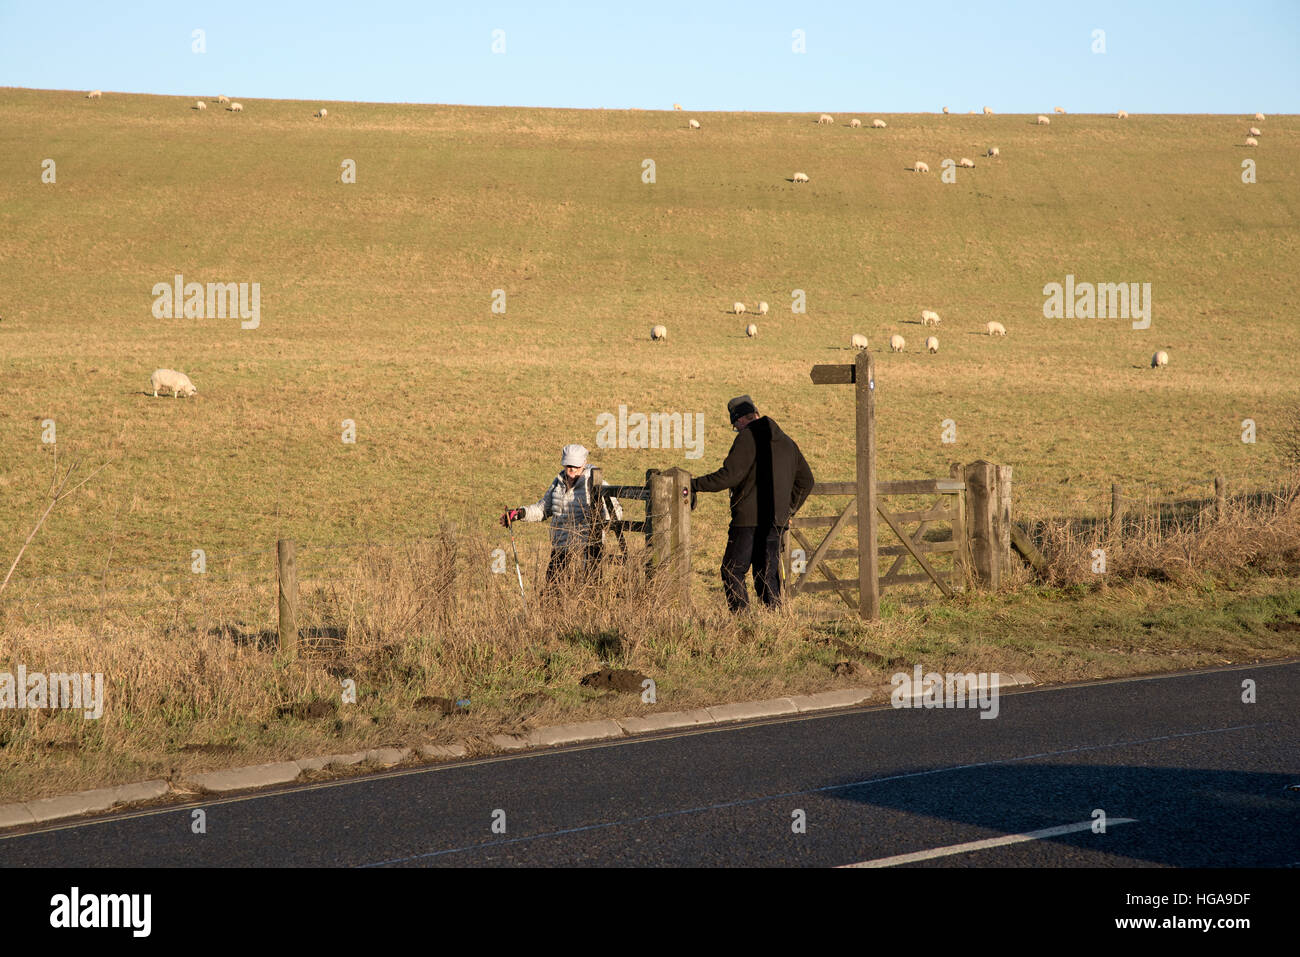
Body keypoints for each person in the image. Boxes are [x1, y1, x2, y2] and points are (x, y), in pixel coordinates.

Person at [691, 396, 814, 612]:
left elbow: (729, 476)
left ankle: (742, 621)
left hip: (748, 521)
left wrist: (694, 484)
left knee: (732, 571)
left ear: (739, 420)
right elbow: (806, 481)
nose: (736, 431)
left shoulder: (747, 438)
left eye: (735, 426)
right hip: (776, 521)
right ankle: (774, 622)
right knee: (766, 575)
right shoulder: (786, 441)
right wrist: (787, 509)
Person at [499, 444, 623, 586]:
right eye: (568, 464)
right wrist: (520, 513)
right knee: (552, 593)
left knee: (587, 592)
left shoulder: (594, 483)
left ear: (584, 463)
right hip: (560, 549)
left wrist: (600, 525)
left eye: (575, 465)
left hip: (587, 550)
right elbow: (543, 509)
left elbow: (616, 512)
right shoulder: (558, 483)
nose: (571, 469)